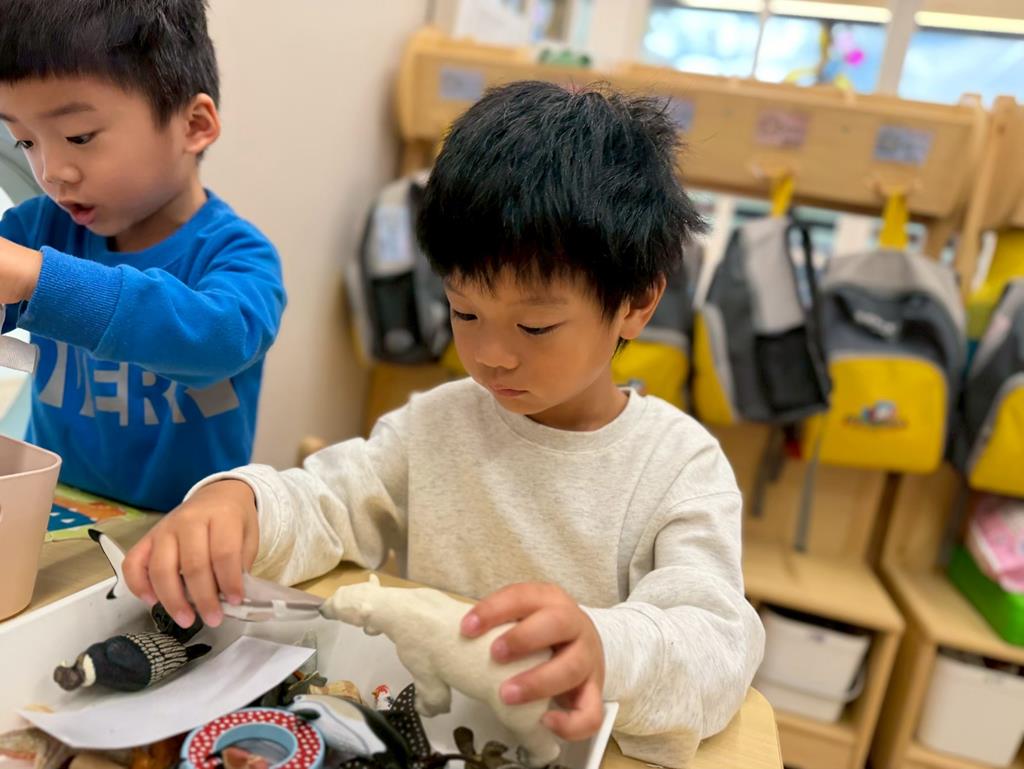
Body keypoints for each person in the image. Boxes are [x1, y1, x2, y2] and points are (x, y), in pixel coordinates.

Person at [124, 81, 764, 766]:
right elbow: (327, 501)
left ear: (635, 304)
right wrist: (242, 501)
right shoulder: (437, 424)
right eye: (466, 312)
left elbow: (717, 643)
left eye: (535, 325)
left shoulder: (678, 465)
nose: (491, 354)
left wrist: (603, 649)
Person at [0, 0, 286, 510]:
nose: (51, 172)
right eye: (25, 142)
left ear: (193, 125)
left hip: (184, 530)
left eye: (79, 137)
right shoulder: (34, 229)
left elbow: (218, 340)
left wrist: (39, 279)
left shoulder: (239, 255)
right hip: (54, 511)